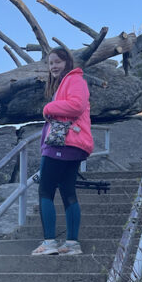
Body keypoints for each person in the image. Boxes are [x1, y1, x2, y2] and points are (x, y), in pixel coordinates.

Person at [32, 48, 94, 256]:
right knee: (68, 192)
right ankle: (72, 244)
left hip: (63, 143)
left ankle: (49, 242)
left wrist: (48, 109)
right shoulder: (69, 83)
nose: (54, 66)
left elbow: (76, 106)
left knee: (45, 191)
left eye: (58, 61)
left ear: (68, 61)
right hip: (72, 144)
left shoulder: (75, 80)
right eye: (50, 64)